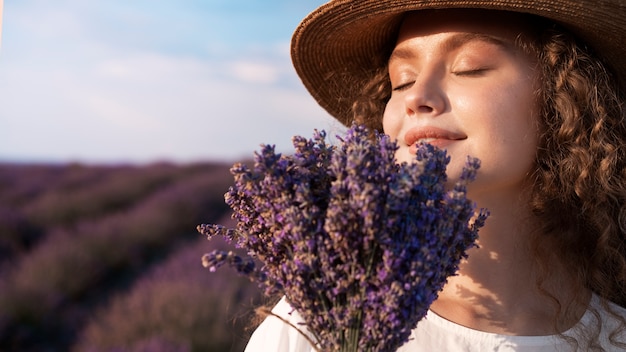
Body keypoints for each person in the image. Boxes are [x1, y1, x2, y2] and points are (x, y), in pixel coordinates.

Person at [245, 0, 626, 350]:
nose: (416, 96)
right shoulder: (322, 326)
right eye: (402, 81)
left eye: (469, 67)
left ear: (568, 98)